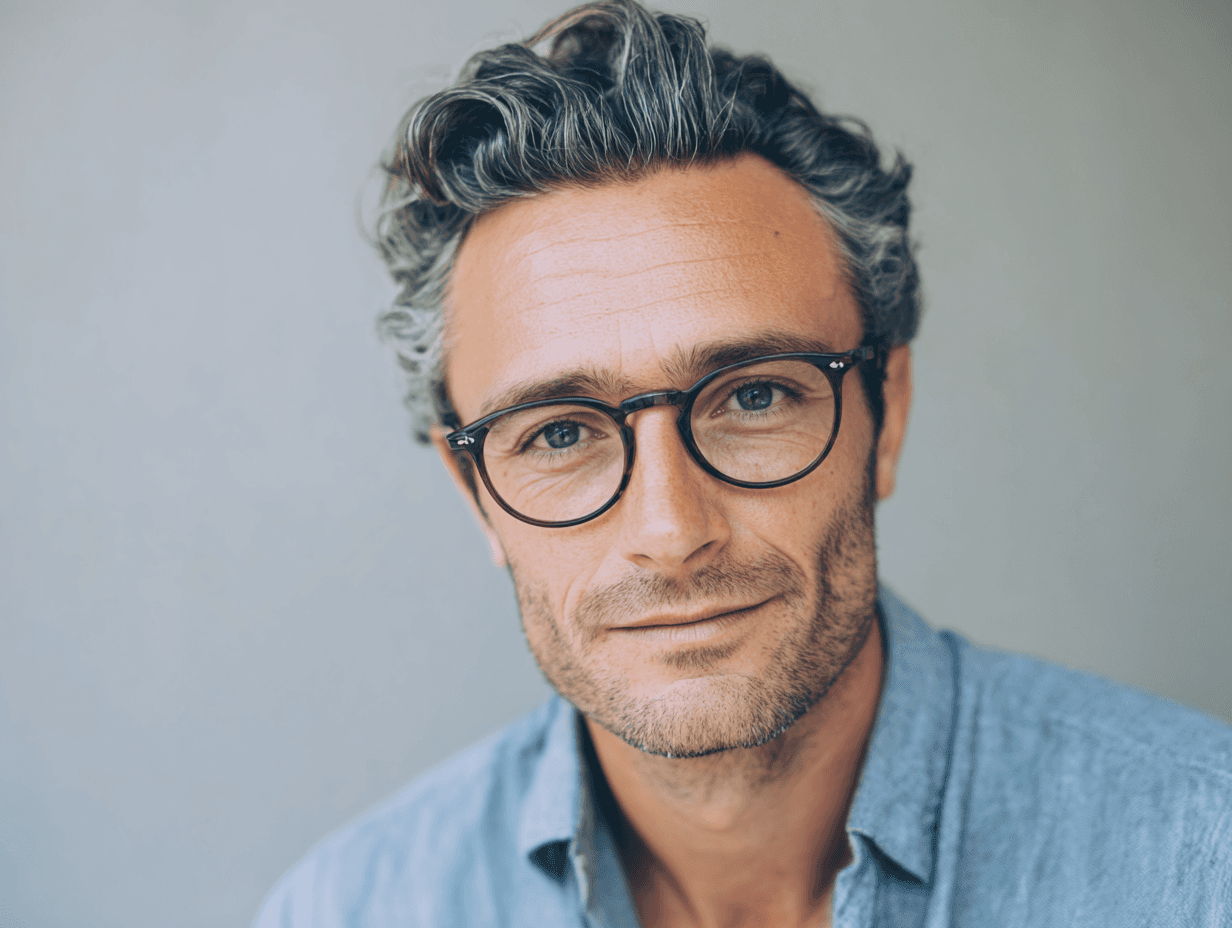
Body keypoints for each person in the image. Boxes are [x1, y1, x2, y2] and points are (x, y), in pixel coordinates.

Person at [254, 2, 1232, 925]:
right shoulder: (349, 909)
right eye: (558, 432)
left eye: (753, 396)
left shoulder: (1202, 863)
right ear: (474, 497)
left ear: (882, 416)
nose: (670, 531)